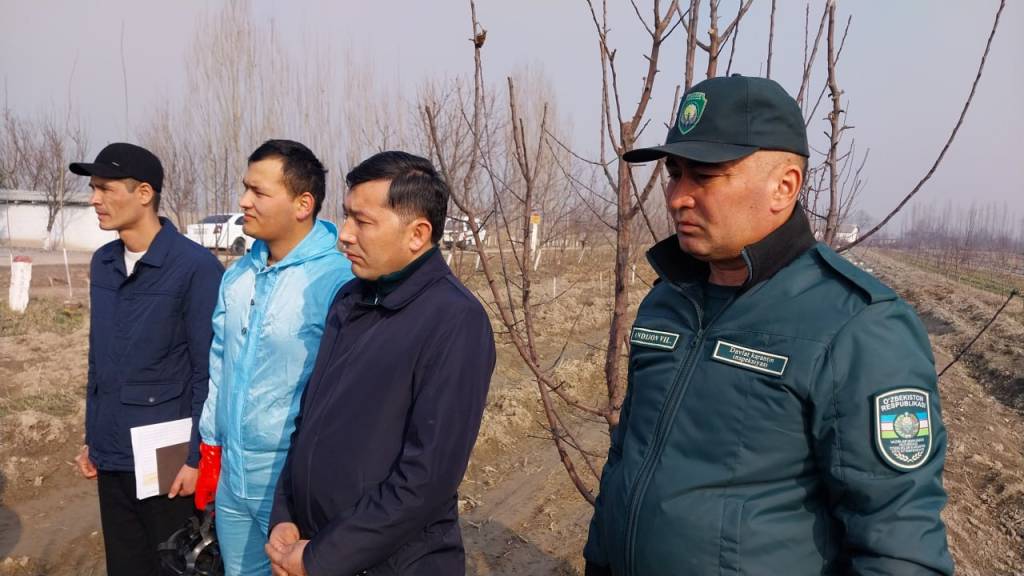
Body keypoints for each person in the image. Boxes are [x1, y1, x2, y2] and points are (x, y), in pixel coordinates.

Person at [583, 75, 954, 575]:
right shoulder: (666, 300)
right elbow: (626, 459)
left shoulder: (859, 327)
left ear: (784, 187)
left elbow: (899, 544)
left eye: (705, 175)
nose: (677, 197)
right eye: (675, 173)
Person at [265, 151, 495, 576]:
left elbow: (425, 479)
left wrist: (320, 558)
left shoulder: (454, 321)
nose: (344, 235)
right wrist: (285, 514)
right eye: (346, 216)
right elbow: (308, 421)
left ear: (417, 234)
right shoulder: (350, 299)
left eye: (362, 221)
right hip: (315, 545)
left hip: (393, 563)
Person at [194, 139, 353, 575]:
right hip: (234, 475)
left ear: (303, 204)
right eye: (245, 188)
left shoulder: (337, 282)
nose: (244, 201)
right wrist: (211, 447)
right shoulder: (238, 276)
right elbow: (220, 364)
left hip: (293, 481)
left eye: (259, 192)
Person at [70, 142, 223, 575]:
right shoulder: (103, 263)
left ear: (143, 193)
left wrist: (196, 459)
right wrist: (94, 438)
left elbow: (208, 372)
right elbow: (100, 361)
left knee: (175, 565)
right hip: (112, 453)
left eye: (105, 188)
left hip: (168, 463)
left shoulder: (195, 267)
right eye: (93, 188)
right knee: (125, 565)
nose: (94, 199)